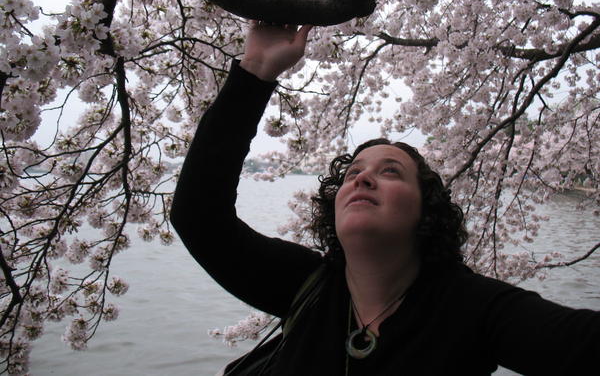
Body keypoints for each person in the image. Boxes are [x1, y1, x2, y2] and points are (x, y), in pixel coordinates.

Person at [169, 19, 600, 376]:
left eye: (389, 172)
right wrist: (256, 70)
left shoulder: (474, 309)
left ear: (425, 208)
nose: (363, 180)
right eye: (353, 174)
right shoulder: (306, 286)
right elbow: (198, 215)